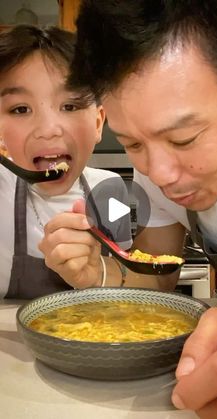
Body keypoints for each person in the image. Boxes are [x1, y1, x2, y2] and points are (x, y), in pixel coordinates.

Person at [64, 1, 217, 417]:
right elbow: (157, 282)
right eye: (132, 144)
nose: (159, 173)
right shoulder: (155, 177)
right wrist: (102, 273)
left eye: (184, 139)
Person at [0, 24, 134, 299]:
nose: (49, 129)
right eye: (21, 109)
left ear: (98, 123)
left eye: (70, 106)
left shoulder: (113, 190)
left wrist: (99, 273)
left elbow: (125, 274)